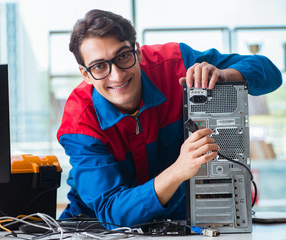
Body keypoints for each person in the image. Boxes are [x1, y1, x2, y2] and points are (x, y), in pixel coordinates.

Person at [56, 9, 282, 229]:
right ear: (85, 74)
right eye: (99, 66)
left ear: (138, 51)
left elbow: (271, 74)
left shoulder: (178, 65)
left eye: (123, 56)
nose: (117, 75)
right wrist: (178, 170)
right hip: (97, 228)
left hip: (179, 220)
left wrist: (225, 76)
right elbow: (112, 211)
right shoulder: (79, 124)